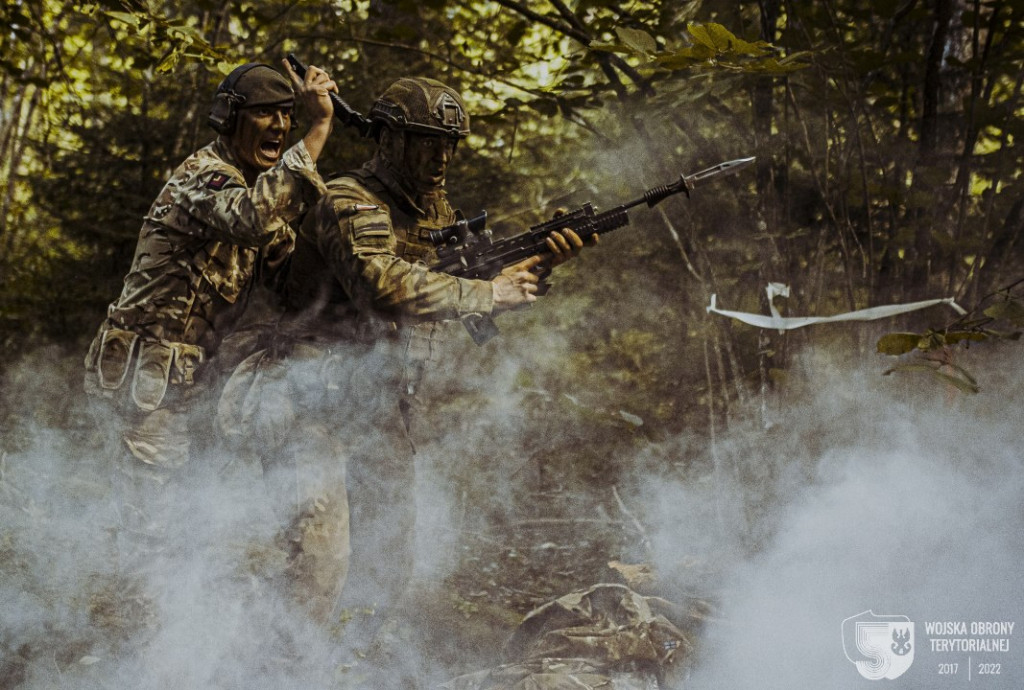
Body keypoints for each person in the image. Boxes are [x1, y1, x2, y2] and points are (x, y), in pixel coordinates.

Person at [253, 76, 590, 639]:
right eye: (426, 141)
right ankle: (274, 671)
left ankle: (350, 667)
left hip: (379, 409)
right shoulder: (348, 199)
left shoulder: (435, 214)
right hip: (307, 406)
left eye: (449, 144)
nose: (440, 157)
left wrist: (532, 271)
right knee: (317, 562)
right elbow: (380, 283)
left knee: (389, 563)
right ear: (388, 139)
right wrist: (488, 292)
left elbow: (459, 295)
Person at [83, 58, 338, 580]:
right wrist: (319, 127)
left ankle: (168, 636)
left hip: (195, 386)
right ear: (230, 119)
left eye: (286, 115)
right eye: (264, 114)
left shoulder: (253, 185)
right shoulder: (203, 176)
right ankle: (126, 642)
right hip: (148, 386)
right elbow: (252, 217)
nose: (278, 126)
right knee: (150, 535)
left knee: (189, 525)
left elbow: (294, 278)